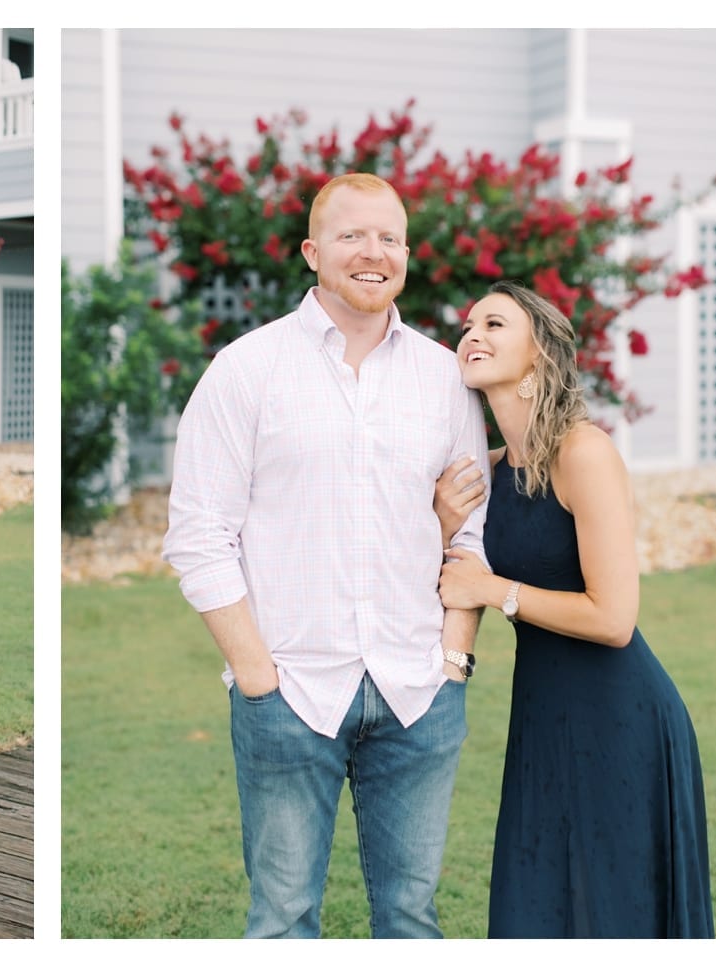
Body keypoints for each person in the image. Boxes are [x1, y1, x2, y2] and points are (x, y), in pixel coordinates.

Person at [162, 172, 490, 938]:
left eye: (389, 238)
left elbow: (470, 530)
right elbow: (199, 533)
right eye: (352, 235)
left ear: (406, 254)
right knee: (281, 919)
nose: (373, 252)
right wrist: (255, 673)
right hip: (290, 691)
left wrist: (454, 660)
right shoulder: (247, 369)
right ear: (313, 251)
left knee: (412, 916)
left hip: (419, 691)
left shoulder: (444, 378)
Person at [434, 279, 714, 938]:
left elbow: (614, 618)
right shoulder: (490, 471)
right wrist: (443, 520)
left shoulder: (582, 452)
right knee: (540, 901)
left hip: (620, 716)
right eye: (469, 324)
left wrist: (494, 591)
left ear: (538, 354)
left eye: (495, 324)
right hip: (541, 713)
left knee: (614, 910)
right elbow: (446, 573)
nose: (473, 334)